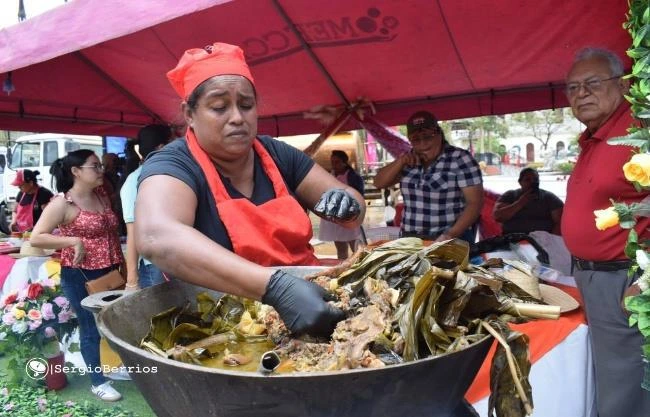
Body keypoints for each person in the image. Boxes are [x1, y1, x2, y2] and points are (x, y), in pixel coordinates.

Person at [135, 42, 365, 337]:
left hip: (311, 304)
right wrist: (276, 288)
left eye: (246, 105)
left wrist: (349, 205)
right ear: (189, 114)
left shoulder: (279, 155)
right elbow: (156, 236)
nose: (237, 117)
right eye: (219, 107)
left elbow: (355, 212)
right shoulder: (174, 163)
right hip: (224, 323)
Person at [562, 47, 650, 417]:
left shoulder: (639, 131)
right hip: (595, 277)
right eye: (573, 87)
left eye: (593, 83)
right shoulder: (595, 136)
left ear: (623, 85)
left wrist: (647, 279)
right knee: (609, 377)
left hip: (625, 279)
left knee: (625, 385)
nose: (581, 94)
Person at [29, 150, 123, 402]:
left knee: (115, 322)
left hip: (111, 271)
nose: (101, 170)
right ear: (76, 171)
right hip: (80, 274)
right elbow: (37, 237)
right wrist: (72, 241)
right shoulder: (63, 203)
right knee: (90, 327)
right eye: (95, 166)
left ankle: (117, 367)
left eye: (101, 166)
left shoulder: (102, 195)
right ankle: (98, 381)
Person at [373, 110, 483, 242]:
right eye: (416, 139)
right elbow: (378, 182)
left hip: (449, 238)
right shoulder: (408, 160)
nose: (423, 143)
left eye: (428, 136)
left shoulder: (460, 159)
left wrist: (450, 234)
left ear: (439, 134)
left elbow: (474, 203)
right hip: (411, 239)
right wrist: (400, 162)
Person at [120, 124, 172, 290]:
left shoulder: (171, 175)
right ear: (162, 147)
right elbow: (133, 232)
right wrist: (132, 280)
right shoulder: (135, 181)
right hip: (156, 266)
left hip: (179, 259)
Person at [318, 150, 365, 259]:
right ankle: (342, 265)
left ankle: (359, 265)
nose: (334, 165)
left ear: (344, 162)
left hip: (349, 215)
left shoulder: (353, 177)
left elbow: (359, 196)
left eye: (337, 162)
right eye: (332, 162)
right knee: (340, 248)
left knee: (356, 247)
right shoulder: (330, 175)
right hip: (335, 217)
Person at [492, 167, 563, 235]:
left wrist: (552, 240)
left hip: (542, 239)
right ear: (520, 182)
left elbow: (560, 222)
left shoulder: (549, 197)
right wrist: (520, 203)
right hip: (513, 238)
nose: (532, 182)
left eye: (535, 179)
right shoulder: (510, 195)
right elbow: (498, 217)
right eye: (527, 180)